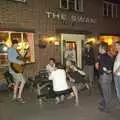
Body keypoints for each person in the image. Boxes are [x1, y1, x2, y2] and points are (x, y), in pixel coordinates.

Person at [96, 42, 114, 113]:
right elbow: (110, 66)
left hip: (104, 77)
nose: (98, 49)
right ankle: (107, 104)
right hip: (109, 77)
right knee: (108, 92)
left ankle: (107, 108)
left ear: (102, 48)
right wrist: (108, 71)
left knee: (105, 92)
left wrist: (99, 68)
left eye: (99, 47)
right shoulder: (108, 55)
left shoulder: (102, 56)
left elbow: (104, 68)